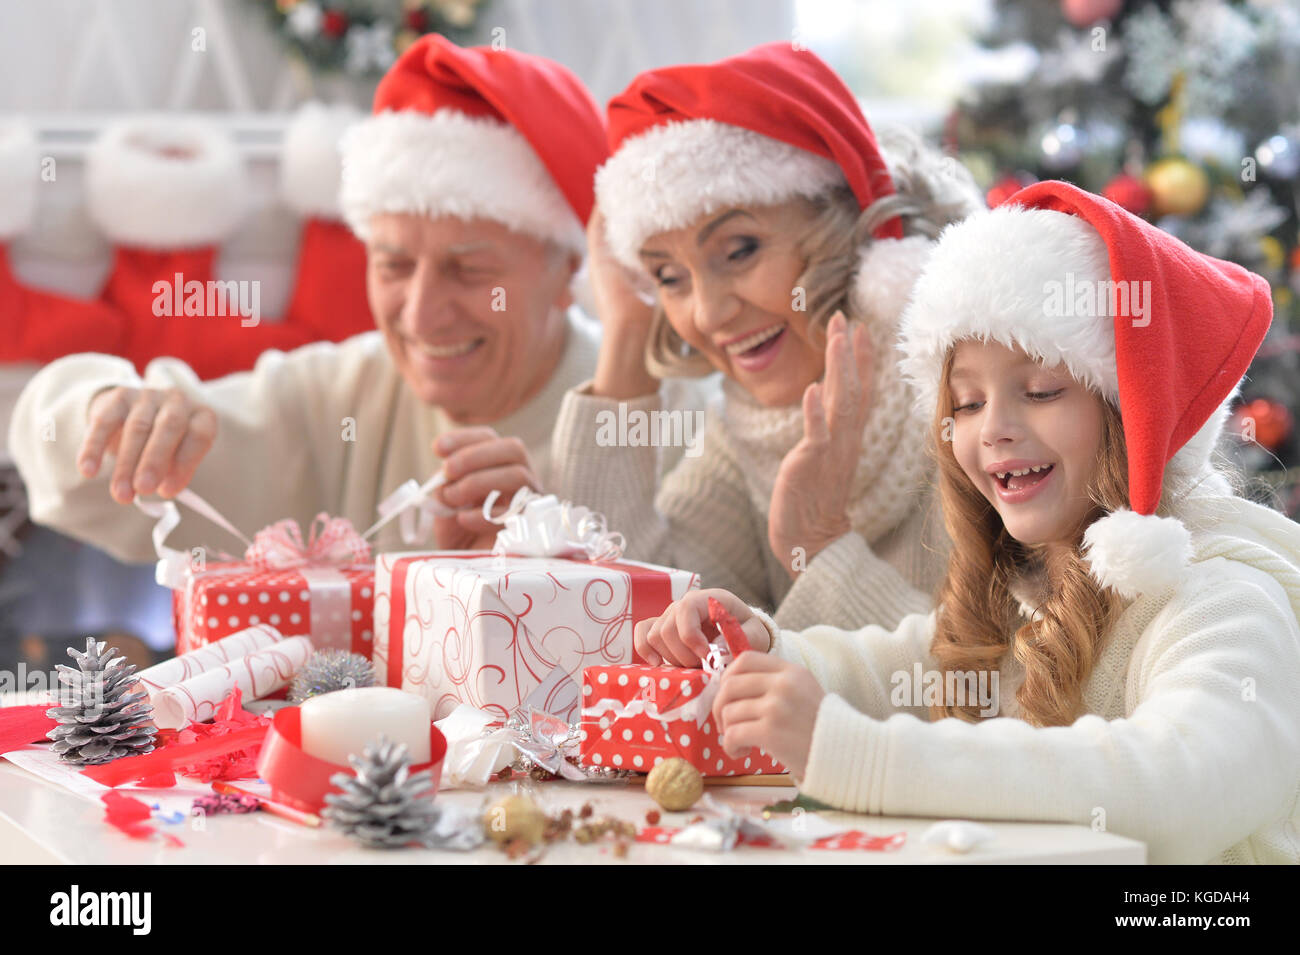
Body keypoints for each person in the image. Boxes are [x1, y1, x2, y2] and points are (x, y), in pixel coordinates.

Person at [635, 181, 1300, 865]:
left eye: (1041, 391)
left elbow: (1177, 784)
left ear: (1135, 413)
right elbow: (901, 667)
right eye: (968, 401)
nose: (996, 430)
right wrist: (767, 654)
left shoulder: (1224, 597)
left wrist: (854, 753)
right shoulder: (1035, 589)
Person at [8, 35, 610, 560]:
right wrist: (106, 412)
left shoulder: (653, 412)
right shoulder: (337, 396)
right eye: (393, 264)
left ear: (567, 272)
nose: (422, 314)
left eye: (471, 270)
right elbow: (71, 475)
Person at [550, 42, 984, 631]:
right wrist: (626, 336)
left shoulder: (976, 402)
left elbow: (997, 687)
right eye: (668, 277)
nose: (706, 314)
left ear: (846, 228)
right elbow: (616, 619)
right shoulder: (748, 431)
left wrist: (824, 547)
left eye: (740, 250)